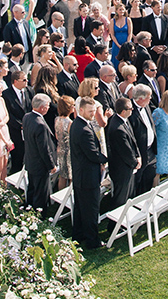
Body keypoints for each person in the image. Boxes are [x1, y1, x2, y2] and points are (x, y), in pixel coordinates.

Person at [70, 96, 109, 250]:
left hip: (80, 174)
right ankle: (92, 240)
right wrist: (105, 159)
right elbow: (92, 153)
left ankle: (79, 235)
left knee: (80, 208)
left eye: (94, 111)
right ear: (80, 110)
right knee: (91, 209)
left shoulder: (78, 124)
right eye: (90, 111)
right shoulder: (84, 129)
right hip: (87, 176)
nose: (93, 114)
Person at [23, 94, 57, 210]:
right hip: (40, 164)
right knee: (41, 193)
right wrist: (51, 165)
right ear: (42, 108)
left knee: (32, 188)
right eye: (47, 106)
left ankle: (29, 209)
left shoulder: (27, 117)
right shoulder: (40, 125)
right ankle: (39, 217)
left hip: (30, 160)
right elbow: (44, 149)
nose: (48, 108)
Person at [106, 97, 141, 209]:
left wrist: (138, 155)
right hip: (121, 169)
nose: (133, 110)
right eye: (131, 108)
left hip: (128, 166)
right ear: (124, 111)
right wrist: (135, 162)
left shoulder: (123, 120)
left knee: (129, 195)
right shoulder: (117, 128)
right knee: (121, 198)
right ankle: (116, 224)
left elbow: (133, 140)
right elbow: (125, 150)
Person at [3, 69, 34, 172]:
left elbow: (32, 107)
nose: (27, 82)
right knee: (18, 155)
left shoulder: (29, 91)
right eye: (24, 80)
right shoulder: (6, 95)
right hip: (15, 131)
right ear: (16, 81)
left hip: (28, 127)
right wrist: (20, 125)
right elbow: (8, 114)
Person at [54, 95, 75, 190]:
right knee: (71, 176)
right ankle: (69, 196)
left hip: (60, 149)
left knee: (62, 175)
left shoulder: (57, 119)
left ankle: (60, 194)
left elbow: (57, 136)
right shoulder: (70, 122)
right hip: (69, 151)